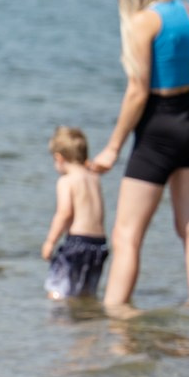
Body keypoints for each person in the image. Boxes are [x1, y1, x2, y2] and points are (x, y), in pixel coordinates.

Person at [90, 0, 189, 312]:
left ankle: (116, 312)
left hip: (158, 126)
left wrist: (112, 147)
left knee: (127, 233)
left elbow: (137, 91)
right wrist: (183, 122)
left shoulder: (143, 21)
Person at [41, 126, 110, 302]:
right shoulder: (93, 177)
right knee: (86, 291)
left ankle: (59, 321)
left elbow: (64, 213)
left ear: (59, 158)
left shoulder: (66, 181)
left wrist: (50, 241)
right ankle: (86, 323)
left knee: (58, 287)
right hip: (99, 244)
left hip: (78, 242)